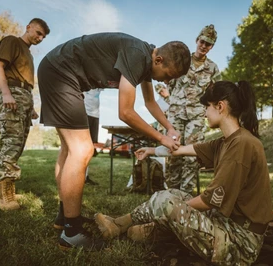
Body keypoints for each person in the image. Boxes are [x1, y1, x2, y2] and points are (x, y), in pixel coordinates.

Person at [37, 32, 191, 251]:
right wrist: (161, 138)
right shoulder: (138, 55)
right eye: (168, 75)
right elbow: (125, 112)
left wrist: (169, 127)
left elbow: (149, 102)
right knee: (82, 150)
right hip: (61, 72)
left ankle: (65, 217)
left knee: (69, 150)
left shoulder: (146, 58)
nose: (166, 82)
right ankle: (71, 233)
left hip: (57, 70)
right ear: (159, 60)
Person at [95, 80, 273, 265]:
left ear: (220, 106)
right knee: (172, 194)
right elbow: (182, 149)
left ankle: (123, 226)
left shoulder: (241, 144)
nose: (204, 113)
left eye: (207, 107)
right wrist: (151, 150)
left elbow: (210, 200)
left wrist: (173, 210)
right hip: (225, 223)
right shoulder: (226, 141)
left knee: (167, 201)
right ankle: (132, 227)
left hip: (240, 243)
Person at [0, 18, 50, 211]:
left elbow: (25, 81)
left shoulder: (28, 54)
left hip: (24, 97)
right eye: (38, 33)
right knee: (12, 144)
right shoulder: (12, 41)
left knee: (14, 145)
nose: (40, 38)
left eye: (43, 37)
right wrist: (6, 94)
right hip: (12, 94)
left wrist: (31, 107)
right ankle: (6, 197)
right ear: (28, 27)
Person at [166, 24, 221, 195]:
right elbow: (169, 82)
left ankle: (186, 197)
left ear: (212, 46)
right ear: (197, 40)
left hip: (196, 116)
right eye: (202, 41)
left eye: (209, 44)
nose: (204, 46)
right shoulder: (182, 60)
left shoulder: (213, 68)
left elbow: (217, 92)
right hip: (175, 115)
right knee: (172, 153)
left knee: (192, 156)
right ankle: (171, 195)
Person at [83, 88, 102, 185]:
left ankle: (85, 176)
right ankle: (79, 175)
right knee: (81, 147)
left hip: (95, 116)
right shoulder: (84, 78)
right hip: (84, 113)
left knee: (90, 147)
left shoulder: (99, 81)